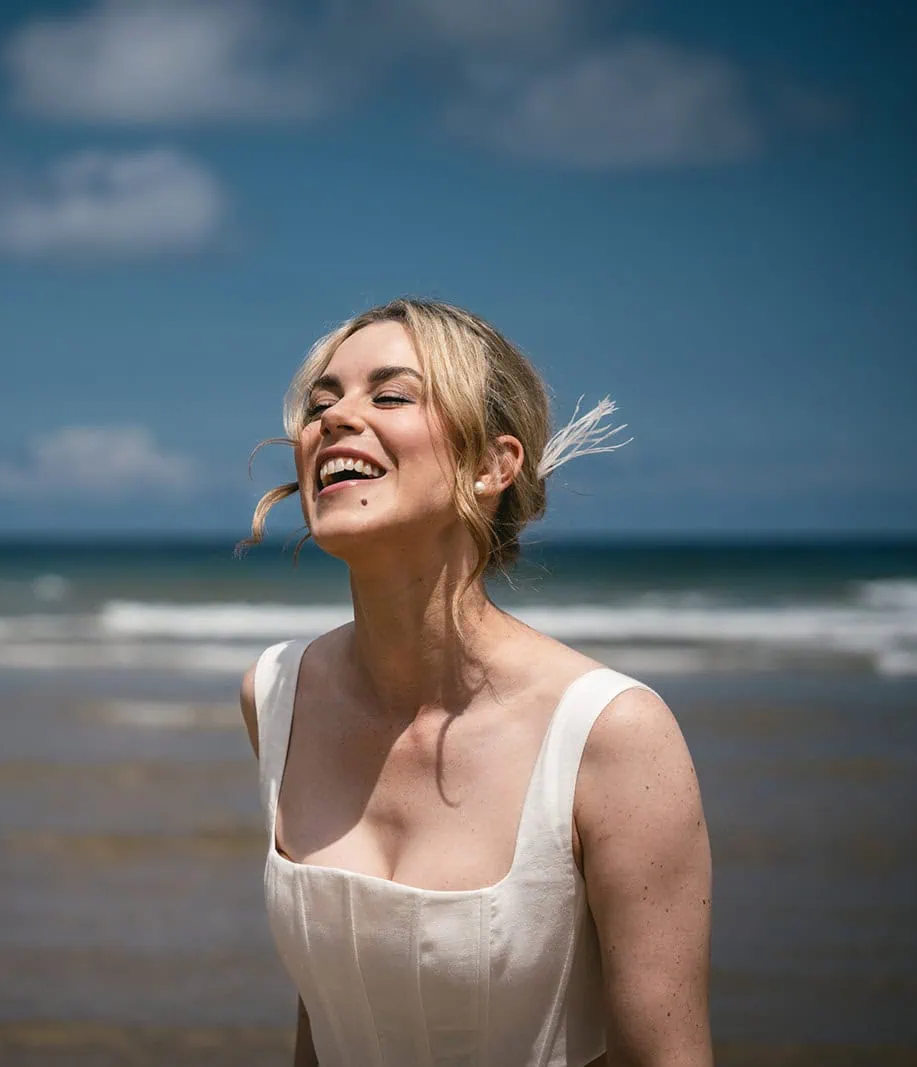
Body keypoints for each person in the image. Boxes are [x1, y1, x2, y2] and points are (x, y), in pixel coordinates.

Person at [236, 299, 713, 1067]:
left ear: (494, 464)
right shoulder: (278, 694)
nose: (335, 420)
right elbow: (323, 1018)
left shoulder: (610, 734)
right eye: (322, 403)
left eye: (389, 396)